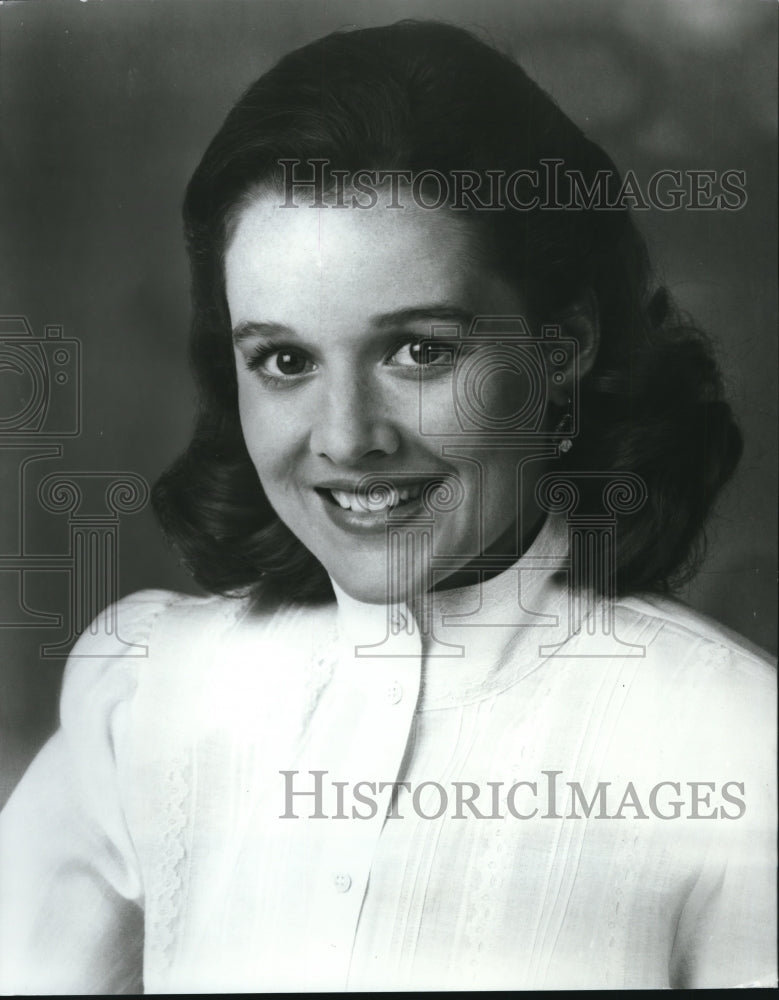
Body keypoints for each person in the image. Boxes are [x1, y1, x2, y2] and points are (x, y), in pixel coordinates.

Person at [0, 20, 775, 993]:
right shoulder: (151, 698)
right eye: (284, 361)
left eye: (418, 349)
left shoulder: (734, 744)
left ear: (562, 343)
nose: (346, 436)